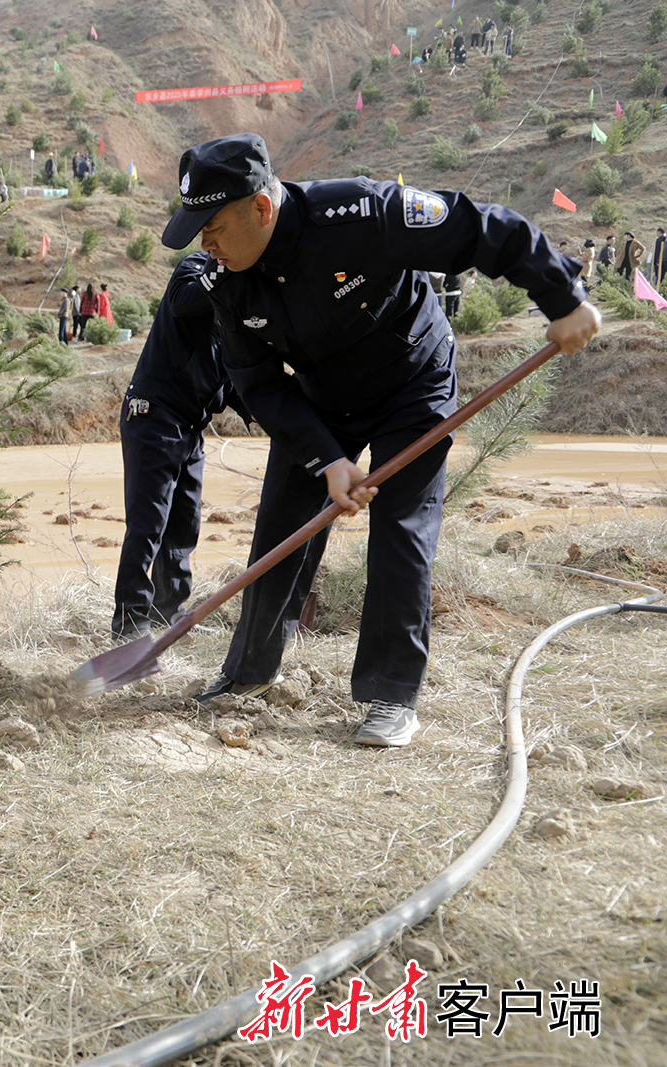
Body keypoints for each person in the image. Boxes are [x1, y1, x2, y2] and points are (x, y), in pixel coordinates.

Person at [163, 132, 600, 747]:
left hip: (410, 384)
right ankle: (247, 674)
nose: (204, 243)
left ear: (261, 207)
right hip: (321, 402)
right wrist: (327, 458)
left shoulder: (362, 214)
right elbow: (258, 383)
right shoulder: (226, 280)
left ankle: (390, 696)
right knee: (283, 527)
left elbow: (484, 229)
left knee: (399, 530)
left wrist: (562, 296)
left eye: (212, 226)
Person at [113, 252, 249, 637]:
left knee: (184, 526)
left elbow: (238, 381)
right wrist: (225, 269)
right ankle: (130, 625)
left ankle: (167, 615)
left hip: (190, 427)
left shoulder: (240, 311)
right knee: (148, 525)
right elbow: (183, 301)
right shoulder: (196, 267)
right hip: (154, 414)